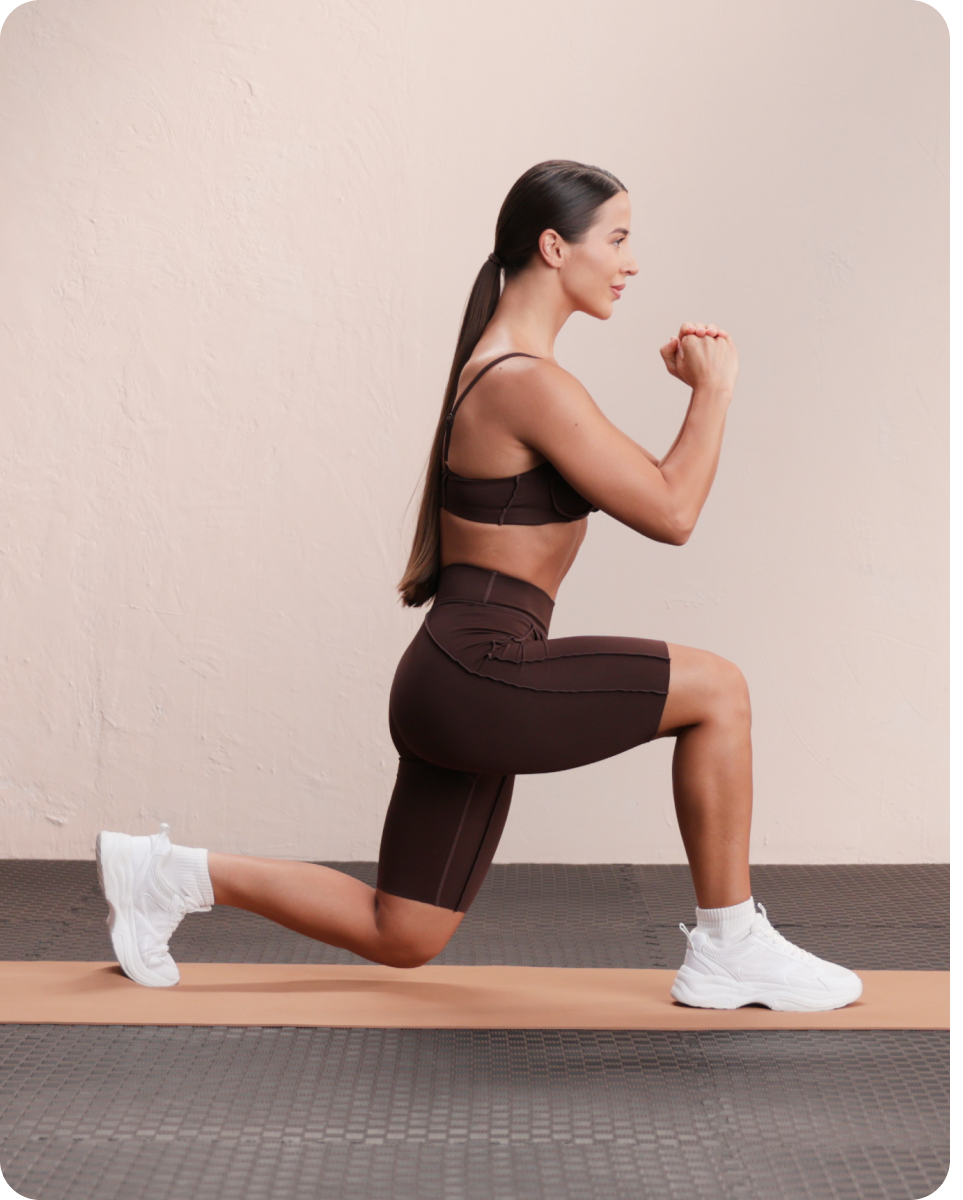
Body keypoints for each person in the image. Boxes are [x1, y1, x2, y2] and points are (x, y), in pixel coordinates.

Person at [94, 159, 861, 1012]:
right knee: (720, 691)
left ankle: (165, 874)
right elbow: (674, 513)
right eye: (617, 239)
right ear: (552, 246)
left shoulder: (517, 374)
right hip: (479, 668)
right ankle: (730, 943)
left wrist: (697, 398)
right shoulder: (525, 381)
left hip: (454, 677)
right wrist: (717, 392)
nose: (630, 262)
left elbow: (655, 483)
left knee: (405, 932)